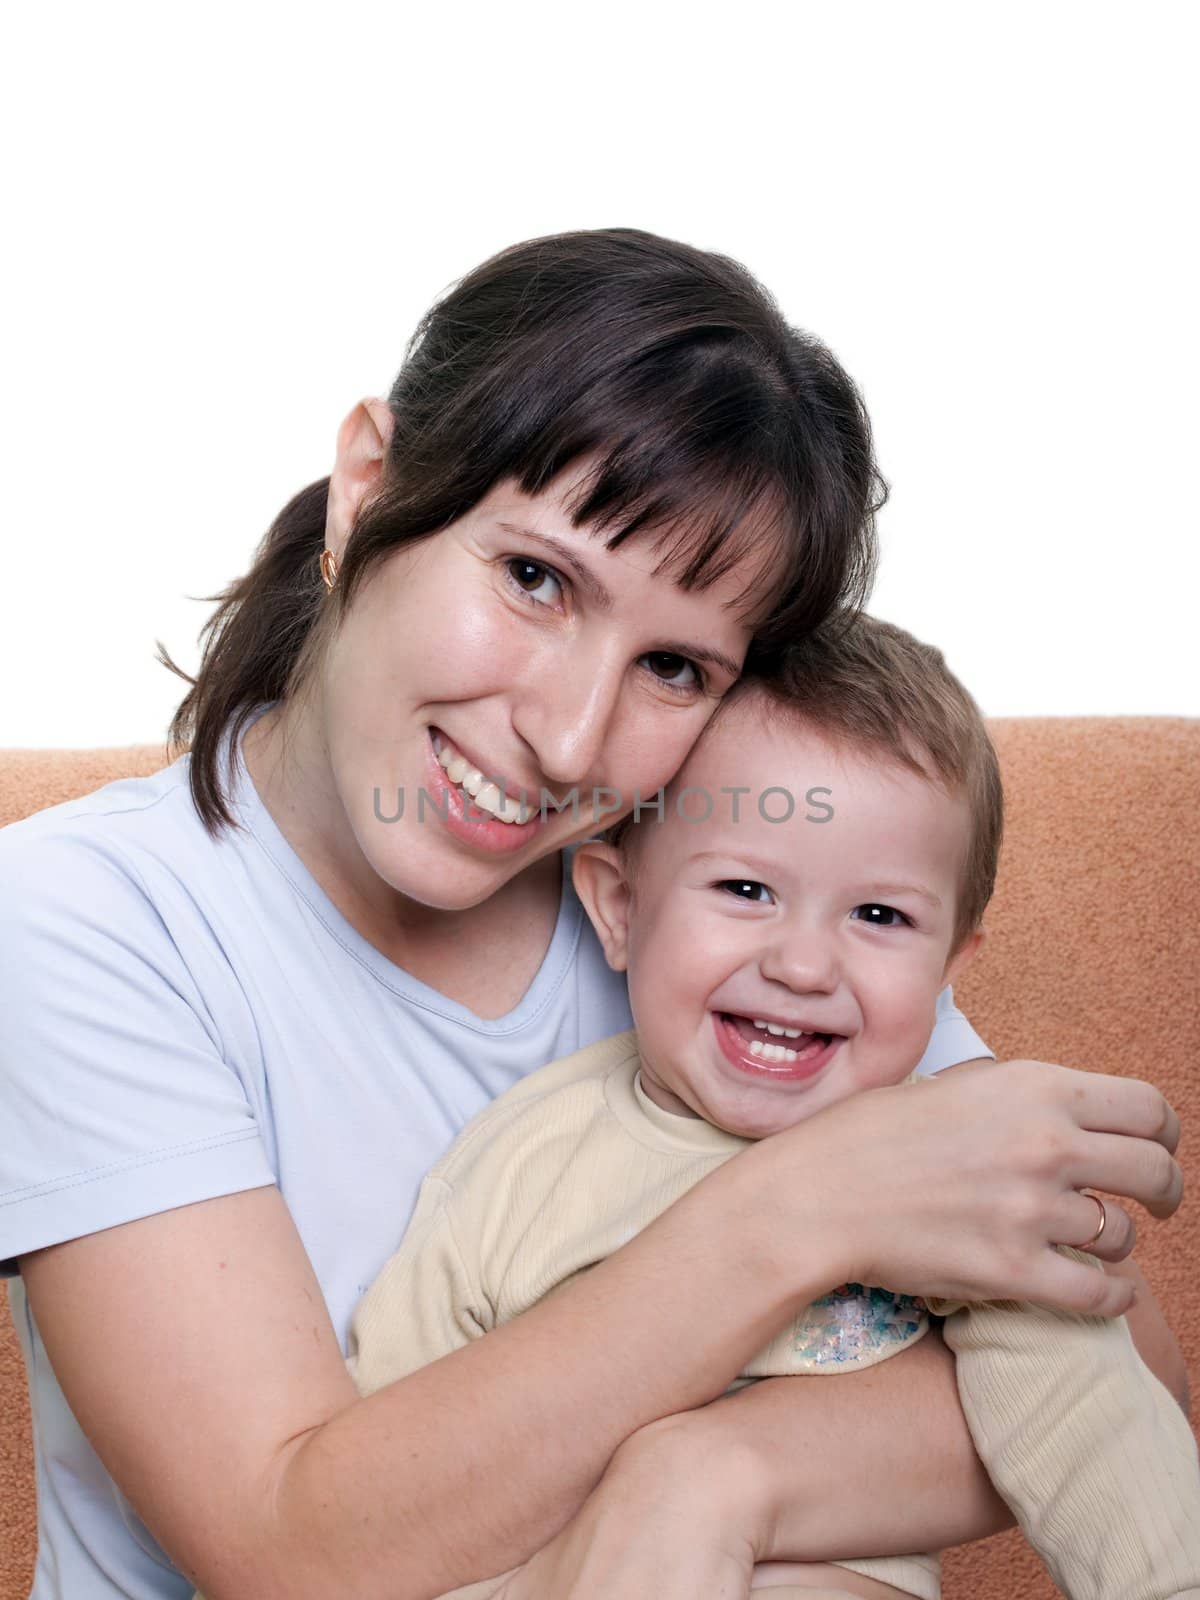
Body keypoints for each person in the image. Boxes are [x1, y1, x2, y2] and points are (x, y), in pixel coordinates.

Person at [0, 228, 1186, 1600]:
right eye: (536, 579)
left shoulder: (720, 900)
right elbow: (288, 1547)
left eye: (675, 665)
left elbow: (1128, 1369)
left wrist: (719, 1480)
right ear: (368, 488)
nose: (567, 740)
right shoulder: (85, 918)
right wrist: (793, 1214)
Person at [345, 612, 1200, 1600]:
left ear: (951, 965)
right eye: (747, 888)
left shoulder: (953, 1174)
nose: (802, 965)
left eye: (879, 915)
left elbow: (1099, 1443)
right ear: (619, 907)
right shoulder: (524, 1164)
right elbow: (395, 1485)